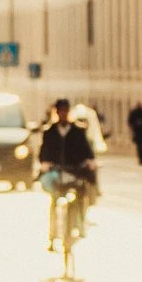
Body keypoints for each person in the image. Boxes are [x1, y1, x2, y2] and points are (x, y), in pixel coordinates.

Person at [38, 97, 97, 246]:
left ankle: (80, 224)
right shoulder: (49, 132)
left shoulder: (78, 131)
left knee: (80, 195)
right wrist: (45, 164)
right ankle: (52, 236)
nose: (63, 114)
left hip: (75, 171)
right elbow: (43, 153)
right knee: (54, 200)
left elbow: (87, 152)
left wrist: (89, 162)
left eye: (65, 111)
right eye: (60, 111)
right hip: (56, 172)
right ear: (56, 113)